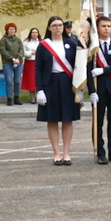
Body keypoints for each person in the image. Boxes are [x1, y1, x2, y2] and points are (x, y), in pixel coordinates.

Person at [36, 16, 81, 165]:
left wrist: (79, 89)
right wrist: (39, 89)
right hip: (50, 83)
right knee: (52, 119)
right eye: (54, 25)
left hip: (67, 83)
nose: (58, 28)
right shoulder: (43, 45)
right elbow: (38, 69)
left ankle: (66, 153)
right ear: (49, 28)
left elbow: (78, 67)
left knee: (67, 119)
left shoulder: (71, 44)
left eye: (60, 25)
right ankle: (56, 153)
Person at [87, 15, 111, 164]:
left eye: (109, 26)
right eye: (103, 26)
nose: (106, 29)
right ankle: (100, 153)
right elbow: (88, 71)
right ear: (97, 28)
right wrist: (92, 91)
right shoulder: (93, 48)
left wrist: (103, 70)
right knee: (98, 123)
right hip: (99, 91)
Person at [0, 23, 24, 106]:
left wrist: (18, 58)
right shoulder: (3, 40)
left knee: (17, 81)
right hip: (7, 63)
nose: (12, 31)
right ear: (7, 30)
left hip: (18, 63)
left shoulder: (18, 40)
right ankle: (9, 98)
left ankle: (16, 98)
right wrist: (12, 59)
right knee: (9, 81)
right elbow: (3, 51)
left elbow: (21, 50)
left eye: (13, 29)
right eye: (10, 29)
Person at [21, 27, 40, 97]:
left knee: (38, 79)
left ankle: (39, 96)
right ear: (30, 34)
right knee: (31, 80)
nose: (34, 34)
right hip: (29, 62)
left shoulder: (41, 42)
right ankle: (32, 97)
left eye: (36, 32)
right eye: (33, 32)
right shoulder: (26, 42)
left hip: (39, 62)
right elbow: (23, 53)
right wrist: (31, 52)